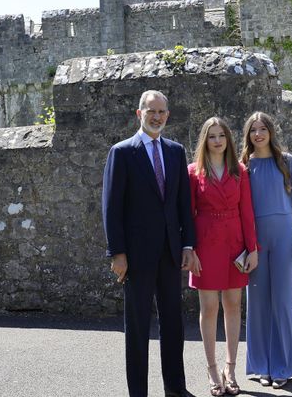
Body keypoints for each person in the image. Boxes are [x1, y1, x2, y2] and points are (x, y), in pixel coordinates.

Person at [102, 89, 202, 397]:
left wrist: (188, 244)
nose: (156, 116)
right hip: (136, 255)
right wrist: (117, 253)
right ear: (139, 114)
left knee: (173, 324)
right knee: (138, 328)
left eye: (161, 112)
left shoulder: (175, 151)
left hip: (171, 252)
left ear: (167, 116)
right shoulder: (122, 152)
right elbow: (111, 206)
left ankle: (175, 388)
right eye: (151, 111)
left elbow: (183, 203)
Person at [240, 112, 292, 390]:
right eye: (253, 130)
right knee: (257, 303)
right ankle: (261, 365)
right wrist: (246, 245)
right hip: (255, 239)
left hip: (284, 236)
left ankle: (285, 365)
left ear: (271, 131)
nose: (258, 134)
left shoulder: (287, 162)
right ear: (248, 135)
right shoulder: (243, 166)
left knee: (282, 301)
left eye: (263, 129)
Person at [187, 117, 259, 396]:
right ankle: (212, 369)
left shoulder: (239, 170)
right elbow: (188, 214)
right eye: (212, 136)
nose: (217, 141)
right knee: (209, 308)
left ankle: (231, 368)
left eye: (222, 136)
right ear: (205, 140)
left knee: (233, 305)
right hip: (205, 244)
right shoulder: (193, 172)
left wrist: (252, 249)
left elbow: (247, 213)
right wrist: (189, 249)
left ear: (229, 140)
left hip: (235, 244)